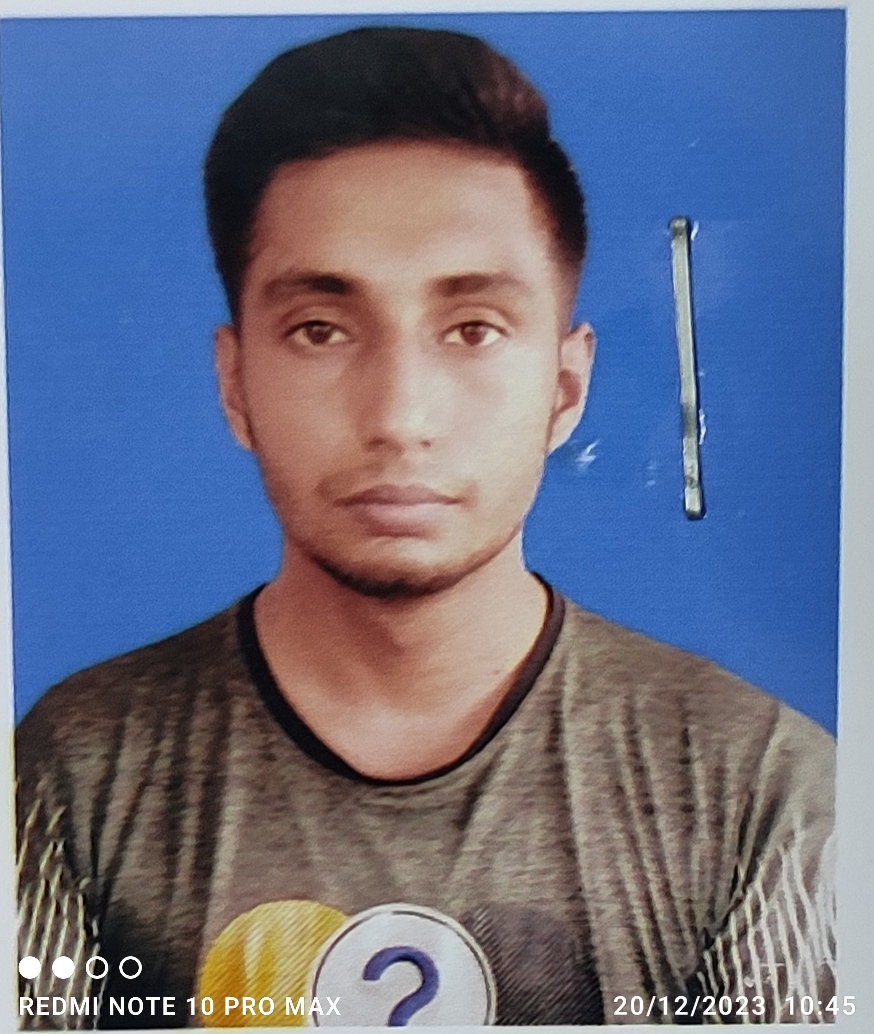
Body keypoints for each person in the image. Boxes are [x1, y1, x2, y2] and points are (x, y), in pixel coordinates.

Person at [16, 26, 835, 1028]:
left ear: (565, 386)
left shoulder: (760, 785)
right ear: (235, 383)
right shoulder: (71, 773)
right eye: (320, 329)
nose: (400, 416)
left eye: (473, 328)